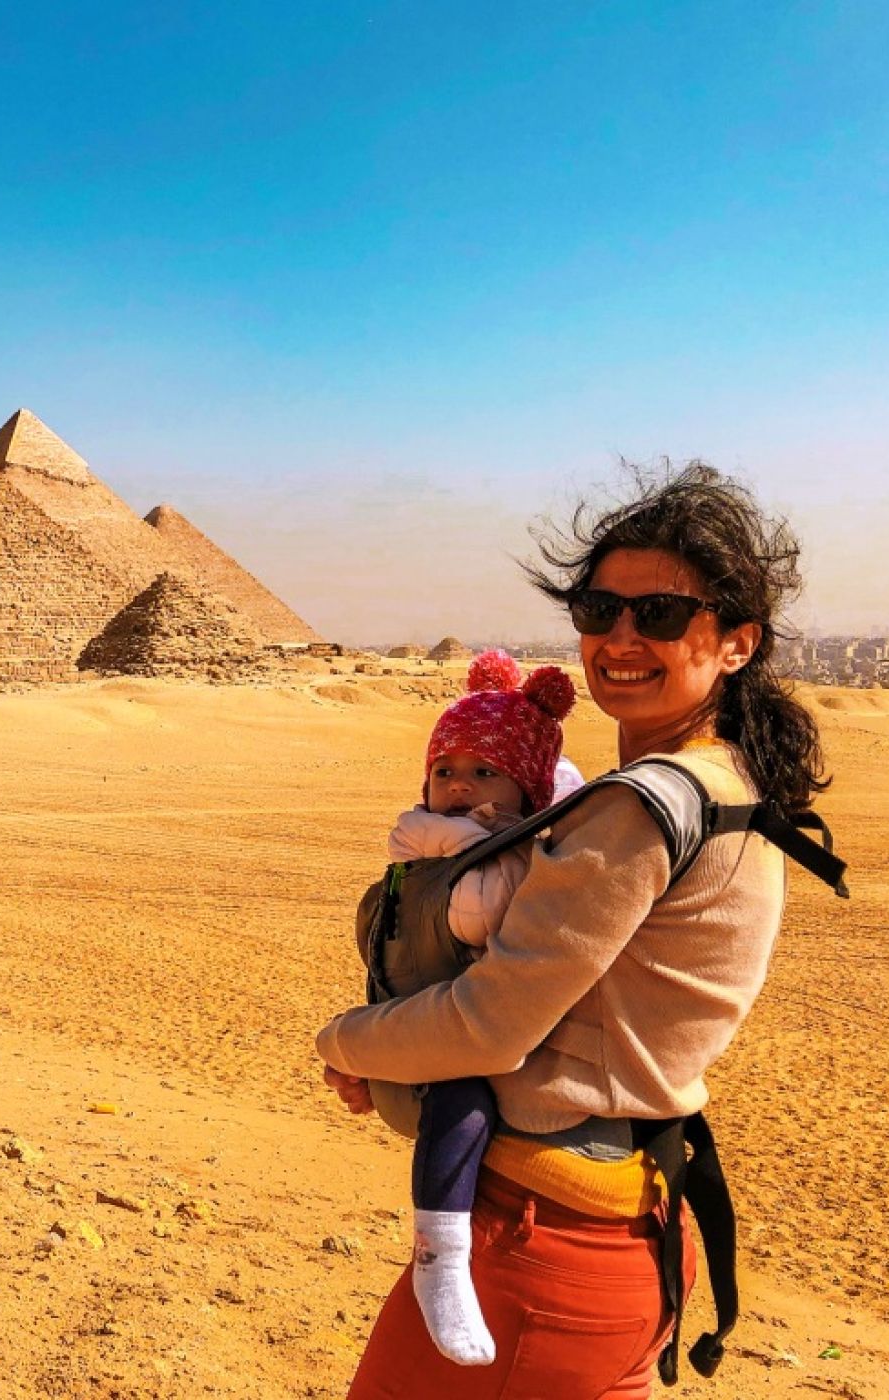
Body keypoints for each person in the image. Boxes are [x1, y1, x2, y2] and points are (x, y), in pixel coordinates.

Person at [318, 462, 829, 1399]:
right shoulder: (729, 784)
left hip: (542, 1245)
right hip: (633, 1232)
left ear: (737, 642)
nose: (621, 638)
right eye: (600, 610)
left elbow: (489, 1025)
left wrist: (345, 1040)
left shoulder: (638, 806)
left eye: (661, 614)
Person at [356, 649, 577, 1366]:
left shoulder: (498, 842)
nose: (459, 785)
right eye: (445, 771)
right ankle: (440, 1255)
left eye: (485, 772)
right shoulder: (448, 846)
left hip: (458, 1025)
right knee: (466, 1100)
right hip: (443, 1043)